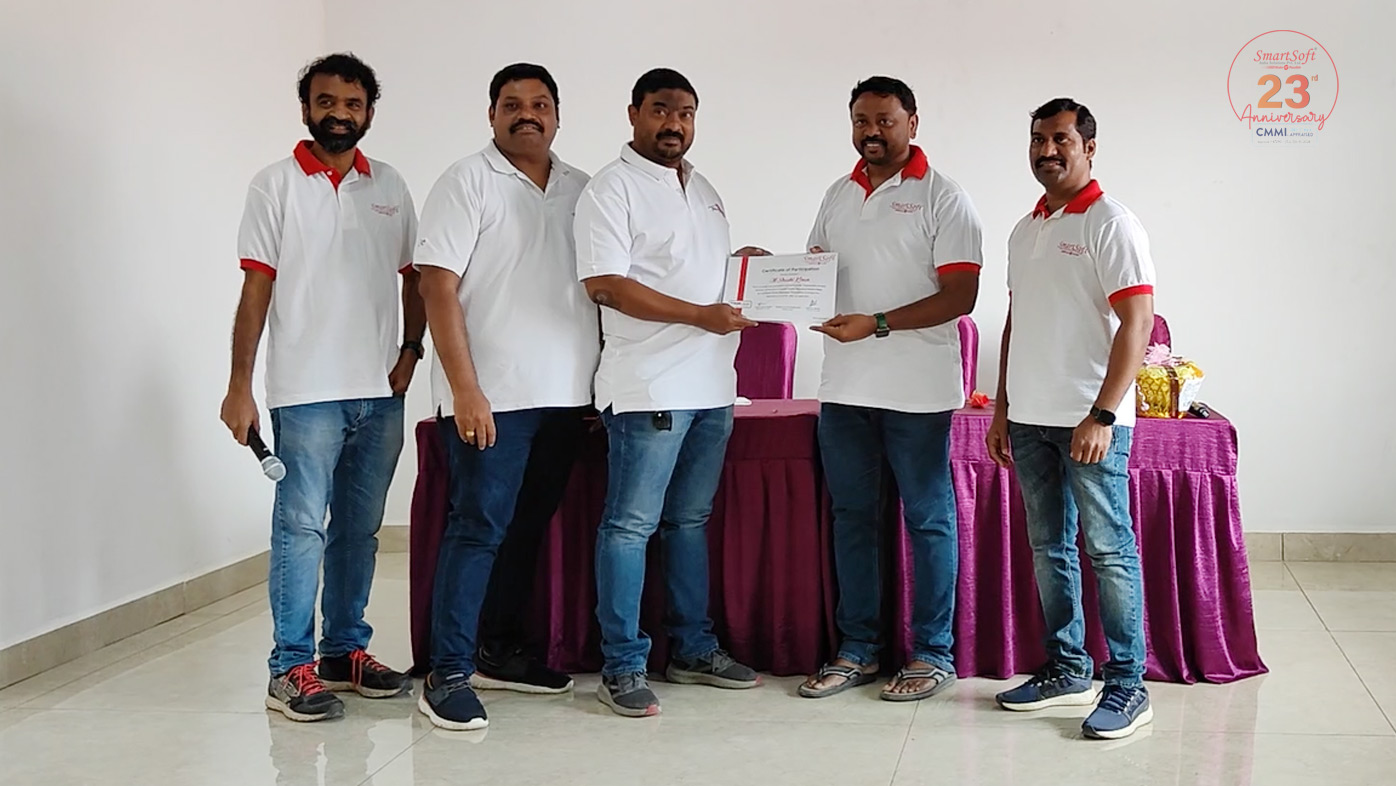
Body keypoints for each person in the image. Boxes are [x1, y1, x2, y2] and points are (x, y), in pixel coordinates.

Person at [220, 53, 422, 723]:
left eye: (352, 103)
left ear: (369, 112)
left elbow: (415, 278)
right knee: (301, 528)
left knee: (358, 531)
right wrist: (240, 387)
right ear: (306, 108)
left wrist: (411, 351)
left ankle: (343, 651)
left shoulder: (389, 185)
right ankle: (290, 667)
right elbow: (256, 289)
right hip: (305, 392)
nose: (339, 114)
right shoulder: (274, 185)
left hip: (379, 392)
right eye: (327, 101)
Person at [574, 67, 769, 717]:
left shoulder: (703, 188)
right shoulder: (611, 189)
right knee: (629, 527)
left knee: (689, 522)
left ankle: (693, 649)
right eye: (661, 110)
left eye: (685, 113)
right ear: (634, 113)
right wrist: (699, 316)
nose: (674, 124)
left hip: (713, 387)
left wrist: (746, 266)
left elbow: (698, 273)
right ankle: (623, 665)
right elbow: (606, 285)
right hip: (648, 387)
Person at [413, 63, 598, 732]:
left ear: (557, 116)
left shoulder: (582, 187)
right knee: (478, 528)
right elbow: (436, 286)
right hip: (491, 398)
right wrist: (465, 391)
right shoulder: (466, 181)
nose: (527, 114)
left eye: (540, 104)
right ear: (491, 115)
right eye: (512, 104)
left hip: (566, 397)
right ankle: (447, 673)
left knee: (525, 529)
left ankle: (499, 651)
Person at [797, 76, 982, 702]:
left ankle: (932, 654)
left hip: (918, 394)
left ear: (913, 123)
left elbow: (961, 296)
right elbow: (817, 276)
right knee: (853, 519)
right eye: (861, 121)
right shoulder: (837, 194)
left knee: (928, 522)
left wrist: (876, 324)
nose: (871, 131)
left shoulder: (944, 197)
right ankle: (858, 650)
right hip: (845, 389)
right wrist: (767, 272)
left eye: (885, 120)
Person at [987, 98, 1156, 740]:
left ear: (1088, 147)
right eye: (1038, 139)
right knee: (1048, 548)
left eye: (1061, 139)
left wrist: (1103, 413)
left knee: (1109, 550)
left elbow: (1138, 321)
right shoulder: (1024, 229)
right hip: (1029, 419)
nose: (1047, 150)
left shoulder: (1110, 222)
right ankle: (1067, 668)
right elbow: (1017, 322)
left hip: (1091, 421)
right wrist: (1003, 409)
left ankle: (1128, 684)